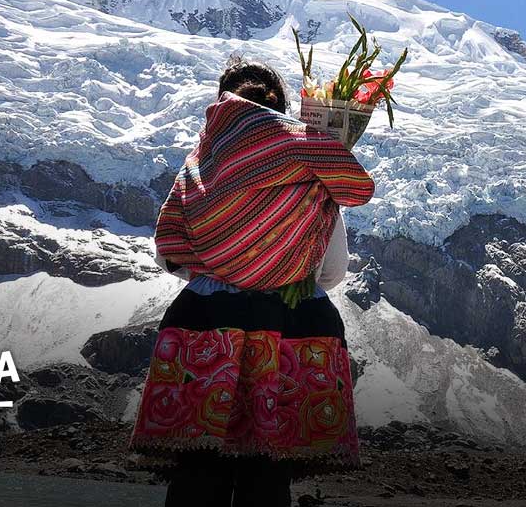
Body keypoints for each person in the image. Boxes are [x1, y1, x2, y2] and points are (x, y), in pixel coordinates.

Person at [130, 58, 372, 506]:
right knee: (267, 478)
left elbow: (170, 253)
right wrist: (280, 263)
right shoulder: (312, 171)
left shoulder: (199, 163)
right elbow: (333, 271)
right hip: (290, 333)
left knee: (196, 477)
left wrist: (228, 263)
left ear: (221, 103)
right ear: (280, 108)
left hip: (201, 327)